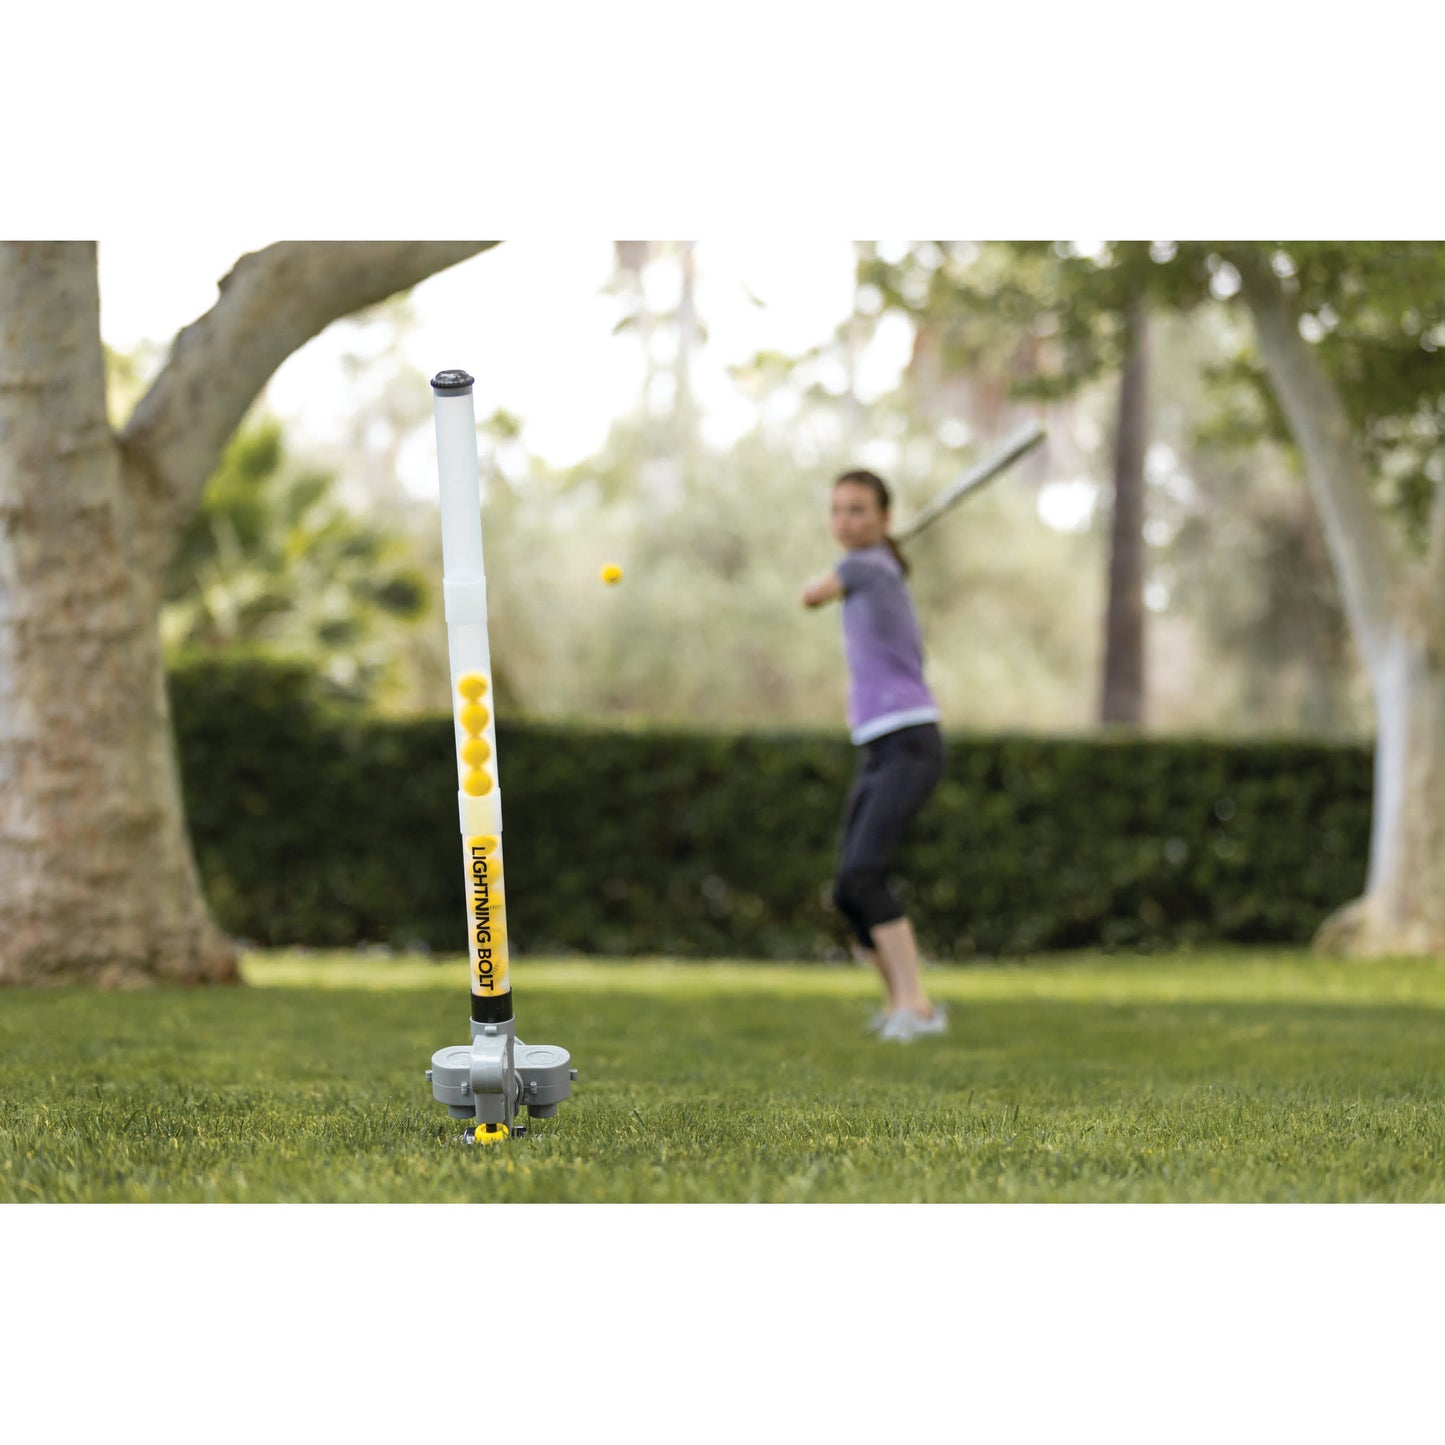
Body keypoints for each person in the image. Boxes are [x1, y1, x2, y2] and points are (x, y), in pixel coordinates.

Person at [802, 468, 948, 1043]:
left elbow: (809, 596)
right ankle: (901, 1006)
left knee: (864, 873)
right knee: (846, 886)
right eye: (837, 510)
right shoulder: (877, 566)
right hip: (880, 745)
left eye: (858, 510)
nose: (844, 521)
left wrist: (862, 553)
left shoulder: (863, 566)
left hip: (909, 740)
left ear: (884, 520)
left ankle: (917, 1007)